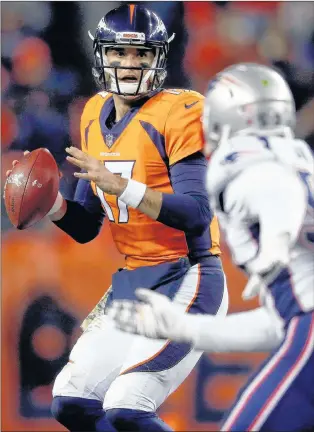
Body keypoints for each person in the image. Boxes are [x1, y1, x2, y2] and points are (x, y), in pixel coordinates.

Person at [5, 4, 228, 432]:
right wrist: (51, 205)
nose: (130, 64)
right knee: (70, 402)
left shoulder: (179, 111)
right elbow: (88, 225)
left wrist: (121, 186)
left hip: (188, 276)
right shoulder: (93, 114)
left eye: (141, 54)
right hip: (133, 282)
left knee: (128, 405)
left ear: (159, 57)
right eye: (120, 53)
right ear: (101, 55)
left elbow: (197, 213)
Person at [107, 63, 314, 431]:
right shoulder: (295, 160)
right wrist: (189, 329)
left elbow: (273, 187)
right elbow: (281, 323)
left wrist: (277, 241)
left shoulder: (252, 165)